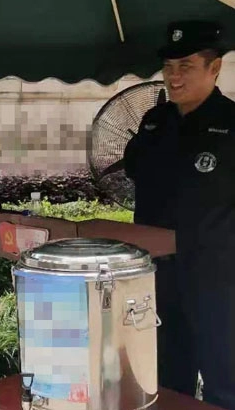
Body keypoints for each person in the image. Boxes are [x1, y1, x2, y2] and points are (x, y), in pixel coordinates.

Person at [124, 20, 235, 408]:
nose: (173, 77)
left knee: (225, 382)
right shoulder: (154, 124)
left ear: (214, 67)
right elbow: (132, 175)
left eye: (185, 66)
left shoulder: (231, 125)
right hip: (156, 279)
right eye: (168, 67)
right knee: (166, 381)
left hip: (217, 281)